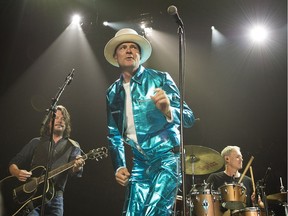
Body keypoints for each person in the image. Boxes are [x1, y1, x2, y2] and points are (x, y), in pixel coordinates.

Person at [104, 28, 195, 216]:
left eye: (133, 47)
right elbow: (113, 134)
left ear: (140, 55)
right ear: (116, 56)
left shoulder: (160, 79)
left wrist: (169, 110)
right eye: (123, 47)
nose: (129, 50)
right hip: (139, 163)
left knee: (153, 213)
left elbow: (189, 117)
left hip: (167, 157)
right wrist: (119, 165)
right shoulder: (112, 93)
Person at [7, 105, 85, 216]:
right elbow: (13, 163)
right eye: (56, 118)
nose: (60, 121)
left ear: (66, 123)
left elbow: (75, 172)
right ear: (49, 122)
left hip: (56, 198)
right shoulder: (36, 142)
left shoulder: (73, 146)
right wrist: (17, 172)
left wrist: (78, 166)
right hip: (31, 197)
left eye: (63, 119)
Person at [206, 145, 264, 215]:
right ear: (227, 159)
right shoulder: (214, 178)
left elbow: (255, 208)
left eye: (241, 157)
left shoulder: (248, 181)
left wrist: (257, 202)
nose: (241, 159)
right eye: (237, 157)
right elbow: (206, 203)